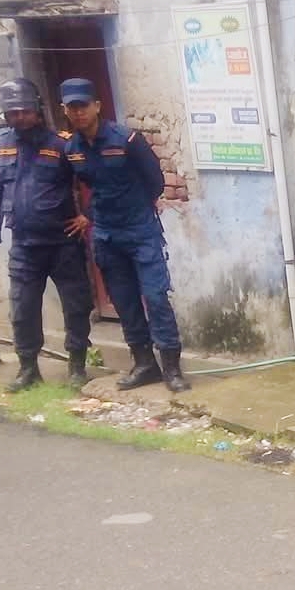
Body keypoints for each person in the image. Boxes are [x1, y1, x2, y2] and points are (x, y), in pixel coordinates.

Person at [58, 78, 186, 394]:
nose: (78, 113)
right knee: (125, 302)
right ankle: (144, 364)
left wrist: (135, 208)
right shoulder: (71, 148)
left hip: (140, 230)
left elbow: (155, 181)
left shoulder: (126, 138)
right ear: (65, 110)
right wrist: (89, 215)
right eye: (72, 108)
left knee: (155, 296)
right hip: (106, 236)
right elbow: (90, 188)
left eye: (83, 106)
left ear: (97, 106)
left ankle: (171, 367)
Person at [0, 77, 91, 391]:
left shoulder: (63, 144)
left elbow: (96, 180)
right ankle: (28, 369)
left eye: (24, 112)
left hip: (63, 244)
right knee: (23, 309)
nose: (18, 118)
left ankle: (77, 367)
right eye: (12, 113)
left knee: (77, 305)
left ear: (38, 110)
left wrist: (87, 216)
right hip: (24, 247)